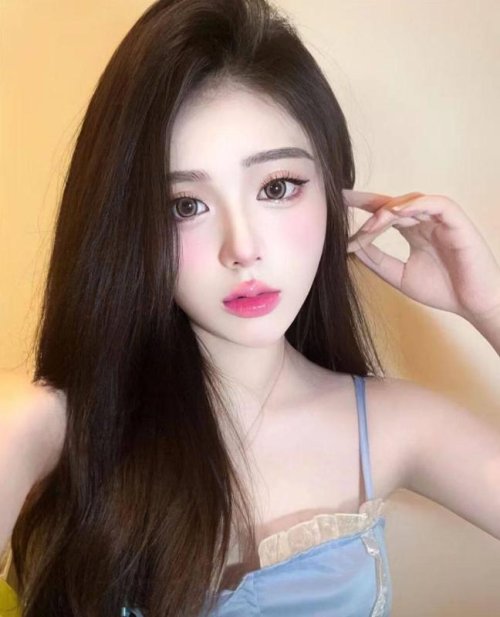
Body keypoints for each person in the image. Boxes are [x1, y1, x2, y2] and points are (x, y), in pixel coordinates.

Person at [1, 0, 499, 615]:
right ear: (127, 225)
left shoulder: (392, 425)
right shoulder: (45, 430)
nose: (242, 249)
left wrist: (488, 305)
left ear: (334, 193)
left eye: (277, 187)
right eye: (185, 205)